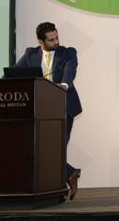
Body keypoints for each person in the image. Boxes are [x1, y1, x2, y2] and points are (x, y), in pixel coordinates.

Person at [15, 22, 82, 200]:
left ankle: (67, 177)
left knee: (56, 148)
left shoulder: (68, 53)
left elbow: (70, 71)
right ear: (41, 41)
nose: (56, 42)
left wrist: (64, 85)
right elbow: (12, 74)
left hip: (64, 107)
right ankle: (68, 175)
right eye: (51, 40)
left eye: (57, 37)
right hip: (40, 111)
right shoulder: (30, 54)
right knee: (41, 150)